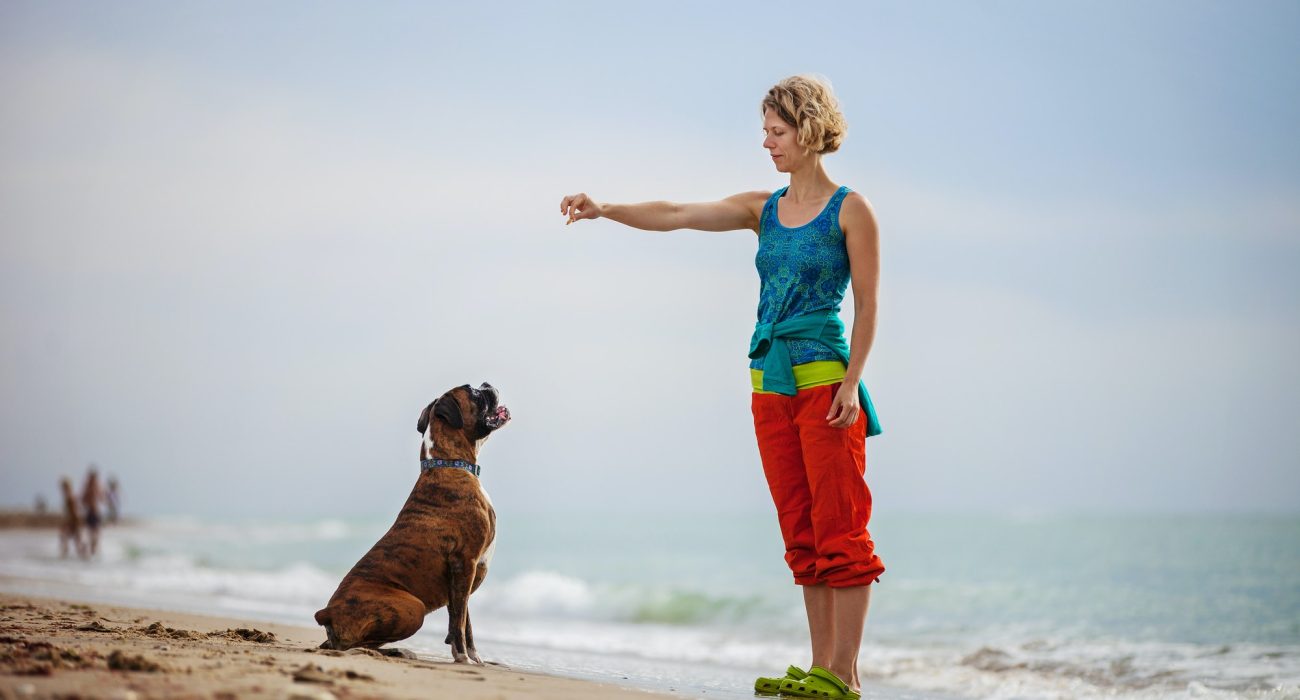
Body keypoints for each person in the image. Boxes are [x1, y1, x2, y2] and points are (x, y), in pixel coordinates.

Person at [558, 75, 884, 700]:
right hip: (768, 386)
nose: (767, 142)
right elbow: (678, 215)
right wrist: (605, 209)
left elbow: (868, 306)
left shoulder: (851, 209)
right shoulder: (761, 209)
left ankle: (844, 676)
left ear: (810, 128)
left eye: (777, 130)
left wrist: (852, 381)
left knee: (842, 526)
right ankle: (821, 669)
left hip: (825, 386)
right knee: (801, 529)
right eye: (764, 131)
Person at [58, 477, 86, 560]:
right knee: (75, 541)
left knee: (66, 538)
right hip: (73, 522)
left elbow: (74, 512)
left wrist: (71, 523)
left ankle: (65, 554)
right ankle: (83, 556)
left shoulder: (70, 497)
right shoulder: (70, 496)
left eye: (63, 488)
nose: (62, 490)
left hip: (74, 522)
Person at [80, 466, 105, 557]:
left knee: (95, 535)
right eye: (91, 477)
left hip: (96, 513)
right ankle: (90, 553)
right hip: (91, 513)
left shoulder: (97, 486)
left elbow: (102, 499)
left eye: (93, 477)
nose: (92, 479)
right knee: (90, 535)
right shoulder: (88, 487)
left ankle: (94, 553)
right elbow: (82, 500)